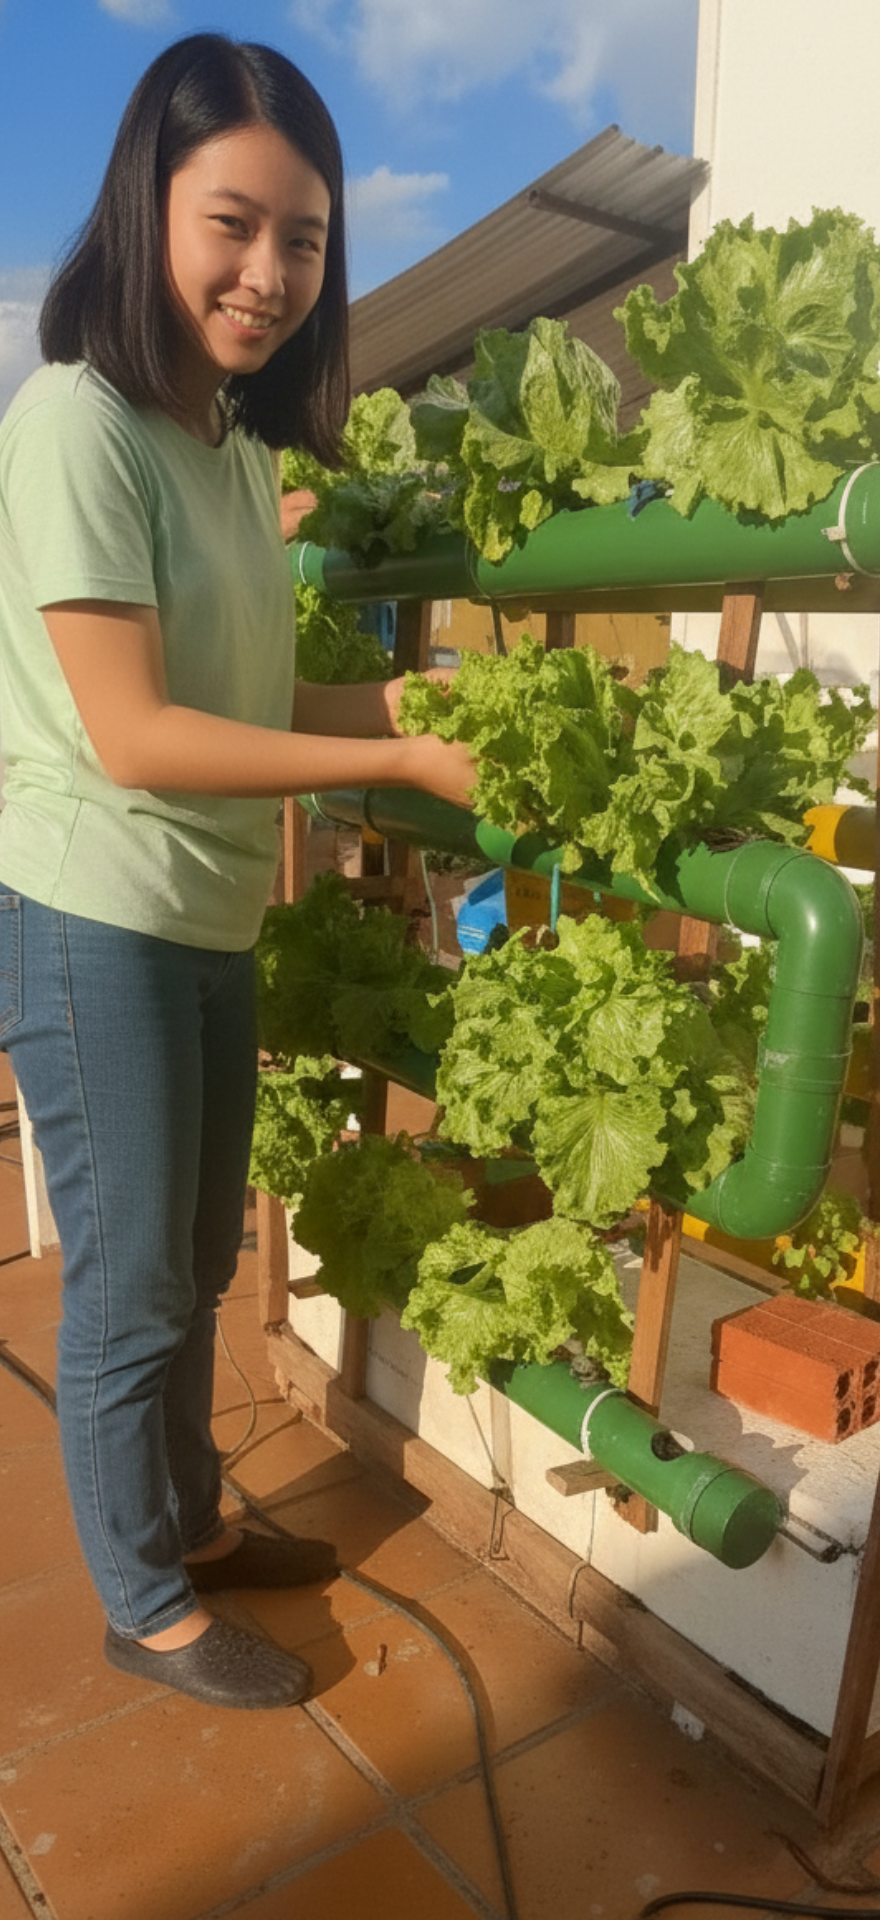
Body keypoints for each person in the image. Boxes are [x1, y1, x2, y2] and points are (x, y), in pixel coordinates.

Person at [0, 33, 474, 1712]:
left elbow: (258, 696)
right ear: (148, 208)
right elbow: (134, 733)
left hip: (201, 905)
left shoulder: (227, 444)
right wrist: (395, 761)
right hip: (89, 908)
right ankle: (142, 1596)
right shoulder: (75, 423)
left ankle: (191, 1520)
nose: (269, 275)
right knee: (132, 1272)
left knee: (201, 1249)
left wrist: (400, 704)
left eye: (307, 241)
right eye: (233, 224)